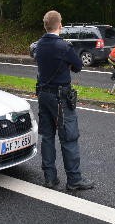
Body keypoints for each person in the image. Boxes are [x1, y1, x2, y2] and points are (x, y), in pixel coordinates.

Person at [32, 10, 94, 191]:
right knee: (69, 137)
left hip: (43, 95)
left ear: (45, 26)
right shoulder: (64, 47)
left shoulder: (38, 45)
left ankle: (50, 178)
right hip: (60, 97)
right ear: (60, 25)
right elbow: (78, 66)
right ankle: (74, 180)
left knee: (48, 137)